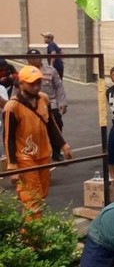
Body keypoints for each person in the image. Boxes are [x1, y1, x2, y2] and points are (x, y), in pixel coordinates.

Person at [2, 66, 72, 219]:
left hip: (43, 153)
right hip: (24, 157)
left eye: (38, 82)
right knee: (32, 197)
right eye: (31, 83)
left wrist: (63, 144)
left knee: (41, 194)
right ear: (21, 84)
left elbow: (51, 124)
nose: (36, 86)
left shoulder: (44, 98)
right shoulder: (11, 107)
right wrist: (12, 164)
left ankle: (33, 228)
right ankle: (33, 238)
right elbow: (8, 137)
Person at [26, 48, 68, 161]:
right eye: (32, 57)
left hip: (51, 103)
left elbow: (59, 87)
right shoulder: (24, 72)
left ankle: (56, 152)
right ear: (28, 59)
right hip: (31, 106)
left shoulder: (51, 70)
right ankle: (34, 154)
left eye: (37, 57)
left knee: (57, 125)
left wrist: (62, 103)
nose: (35, 60)